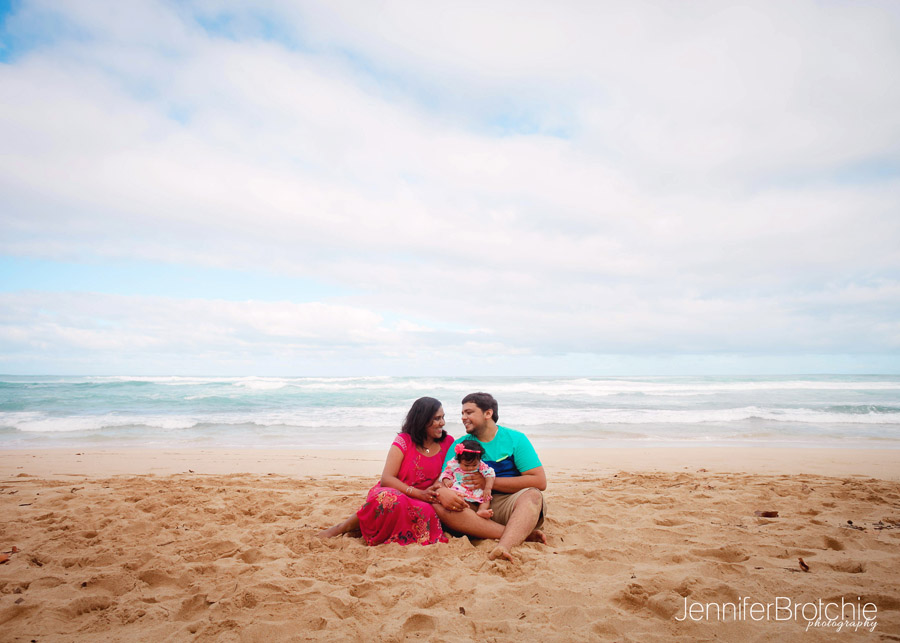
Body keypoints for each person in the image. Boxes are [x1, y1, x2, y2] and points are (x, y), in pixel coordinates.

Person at [318, 397, 454, 545]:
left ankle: (369, 529)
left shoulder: (448, 443)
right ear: (422, 420)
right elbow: (387, 479)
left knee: (426, 510)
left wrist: (433, 490)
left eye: (443, 417)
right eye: (437, 418)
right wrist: (418, 493)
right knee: (391, 499)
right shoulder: (404, 440)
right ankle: (341, 527)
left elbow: (450, 472)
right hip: (396, 490)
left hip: (426, 499)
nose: (442, 423)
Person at [433, 392, 548, 562]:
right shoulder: (459, 445)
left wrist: (488, 483)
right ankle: (519, 534)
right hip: (471, 504)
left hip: (508, 503)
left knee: (533, 495)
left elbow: (539, 481)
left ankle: (504, 547)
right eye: (462, 413)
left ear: (488, 413)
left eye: (469, 412)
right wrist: (443, 491)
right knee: (438, 505)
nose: (463, 417)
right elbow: (443, 479)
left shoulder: (515, 439)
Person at [440, 439, 496, 519]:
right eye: (466, 465)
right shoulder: (454, 463)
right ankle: (463, 508)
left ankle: (482, 510)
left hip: (475, 490)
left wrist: (488, 488)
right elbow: (446, 472)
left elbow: (490, 474)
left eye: (474, 465)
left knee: (486, 498)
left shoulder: (481, 464)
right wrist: (446, 480)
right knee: (454, 496)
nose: (470, 468)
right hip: (459, 488)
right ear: (459, 460)